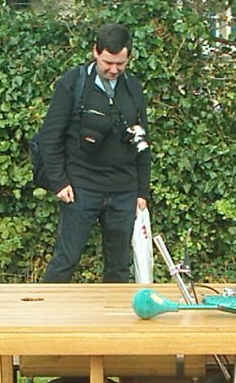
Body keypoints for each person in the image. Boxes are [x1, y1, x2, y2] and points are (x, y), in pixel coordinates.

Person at [38, 23, 151, 283]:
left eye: (120, 64)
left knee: (119, 268)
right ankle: (44, 320)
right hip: (81, 188)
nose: (114, 69)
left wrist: (142, 191)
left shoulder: (133, 88)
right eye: (108, 62)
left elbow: (143, 141)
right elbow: (50, 135)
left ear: (128, 58)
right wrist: (59, 182)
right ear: (95, 52)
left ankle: (115, 323)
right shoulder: (72, 83)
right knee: (66, 260)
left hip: (123, 191)